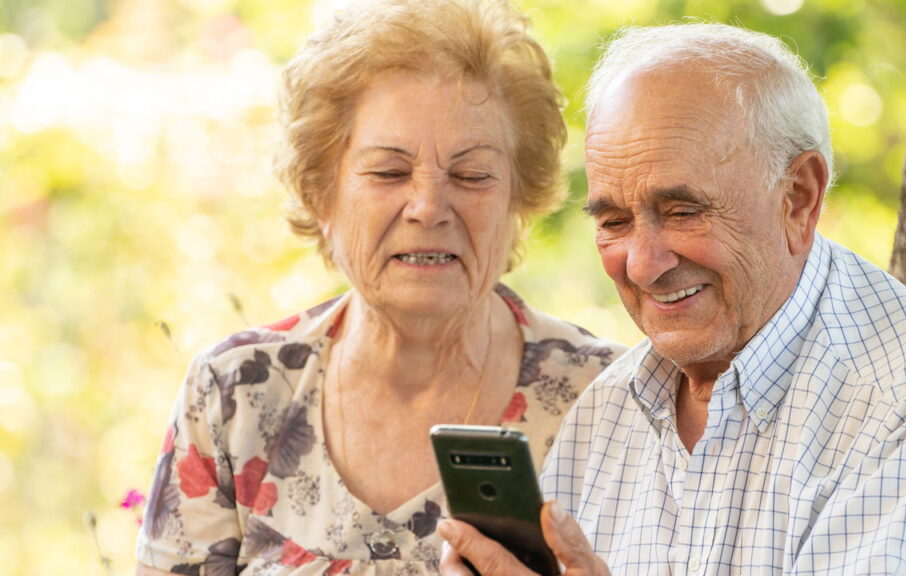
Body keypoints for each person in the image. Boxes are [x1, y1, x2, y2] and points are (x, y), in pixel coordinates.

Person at [439, 22, 906, 575]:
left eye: (682, 212)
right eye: (614, 221)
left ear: (798, 197)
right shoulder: (608, 412)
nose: (643, 264)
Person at [134, 1, 626, 573]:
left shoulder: (611, 404)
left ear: (517, 201)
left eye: (470, 175)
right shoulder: (234, 393)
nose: (428, 206)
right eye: (389, 172)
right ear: (323, 195)